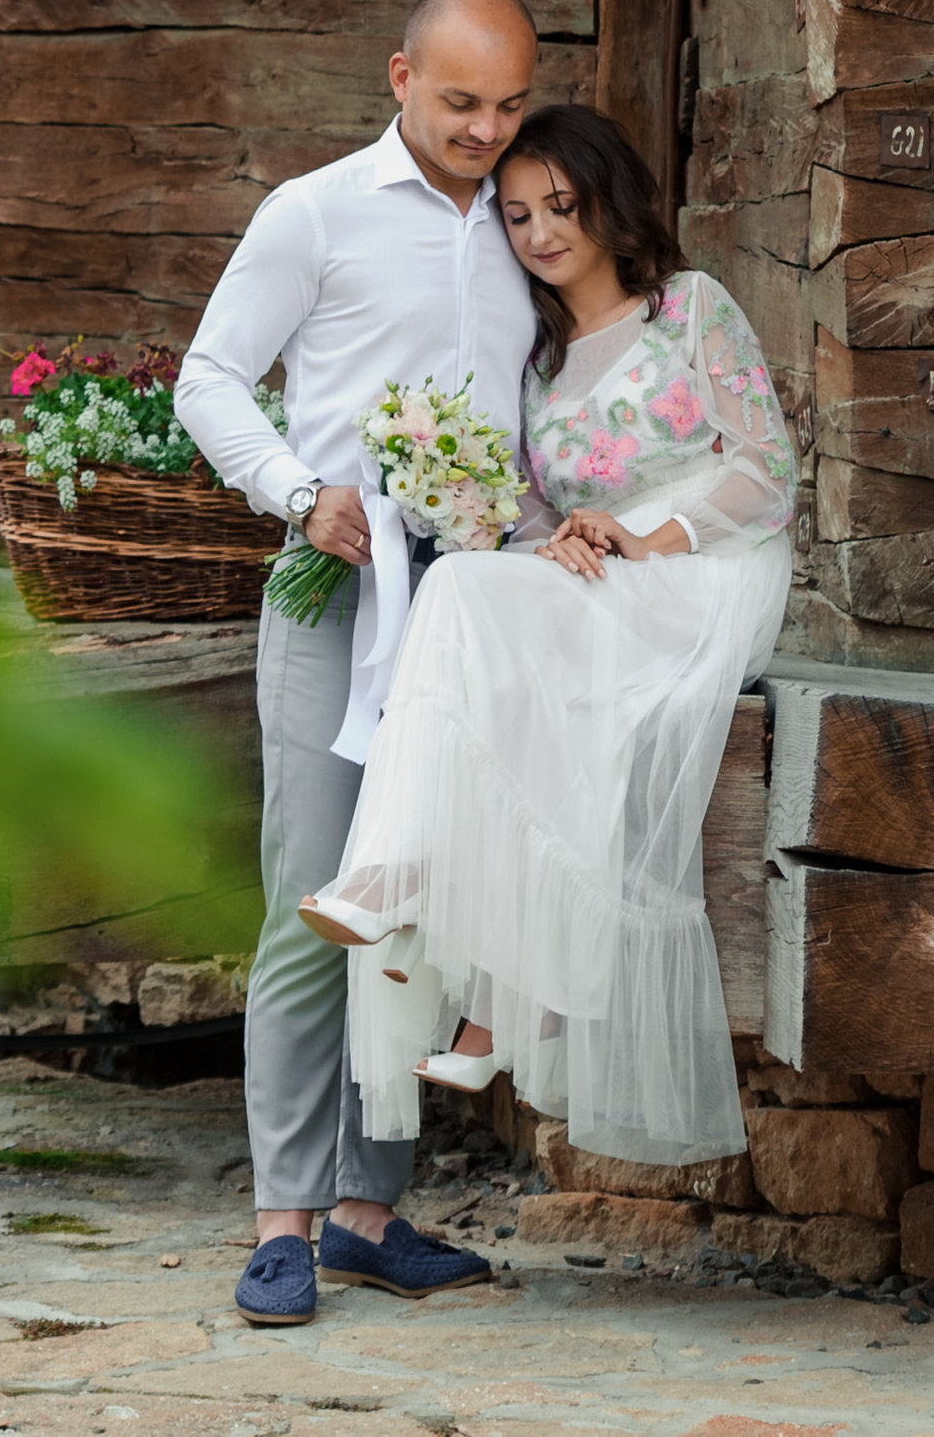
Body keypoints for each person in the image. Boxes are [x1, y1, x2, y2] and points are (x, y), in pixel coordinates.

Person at [299, 101, 796, 1170]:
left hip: (707, 569)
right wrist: (560, 542)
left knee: (471, 606)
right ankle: (497, 1007)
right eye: (517, 214)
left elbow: (767, 473)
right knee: (478, 605)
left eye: (560, 205)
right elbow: (536, 511)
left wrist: (644, 536)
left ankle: (409, 890)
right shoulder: (539, 362)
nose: (539, 232)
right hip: (604, 582)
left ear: (606, 200)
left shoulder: (689, 310)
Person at [173, 0, 541, 1330]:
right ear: (399, 75)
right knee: (311, 897)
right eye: (459, 102)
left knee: (425, 904)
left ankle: (367, 1214)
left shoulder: (526, 220)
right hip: (334, 595)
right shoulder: (313, 211)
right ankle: (281, 1218)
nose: (483, 130)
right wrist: (295, 489)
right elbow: (206, 376)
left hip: (470, 612)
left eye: (507, 106)